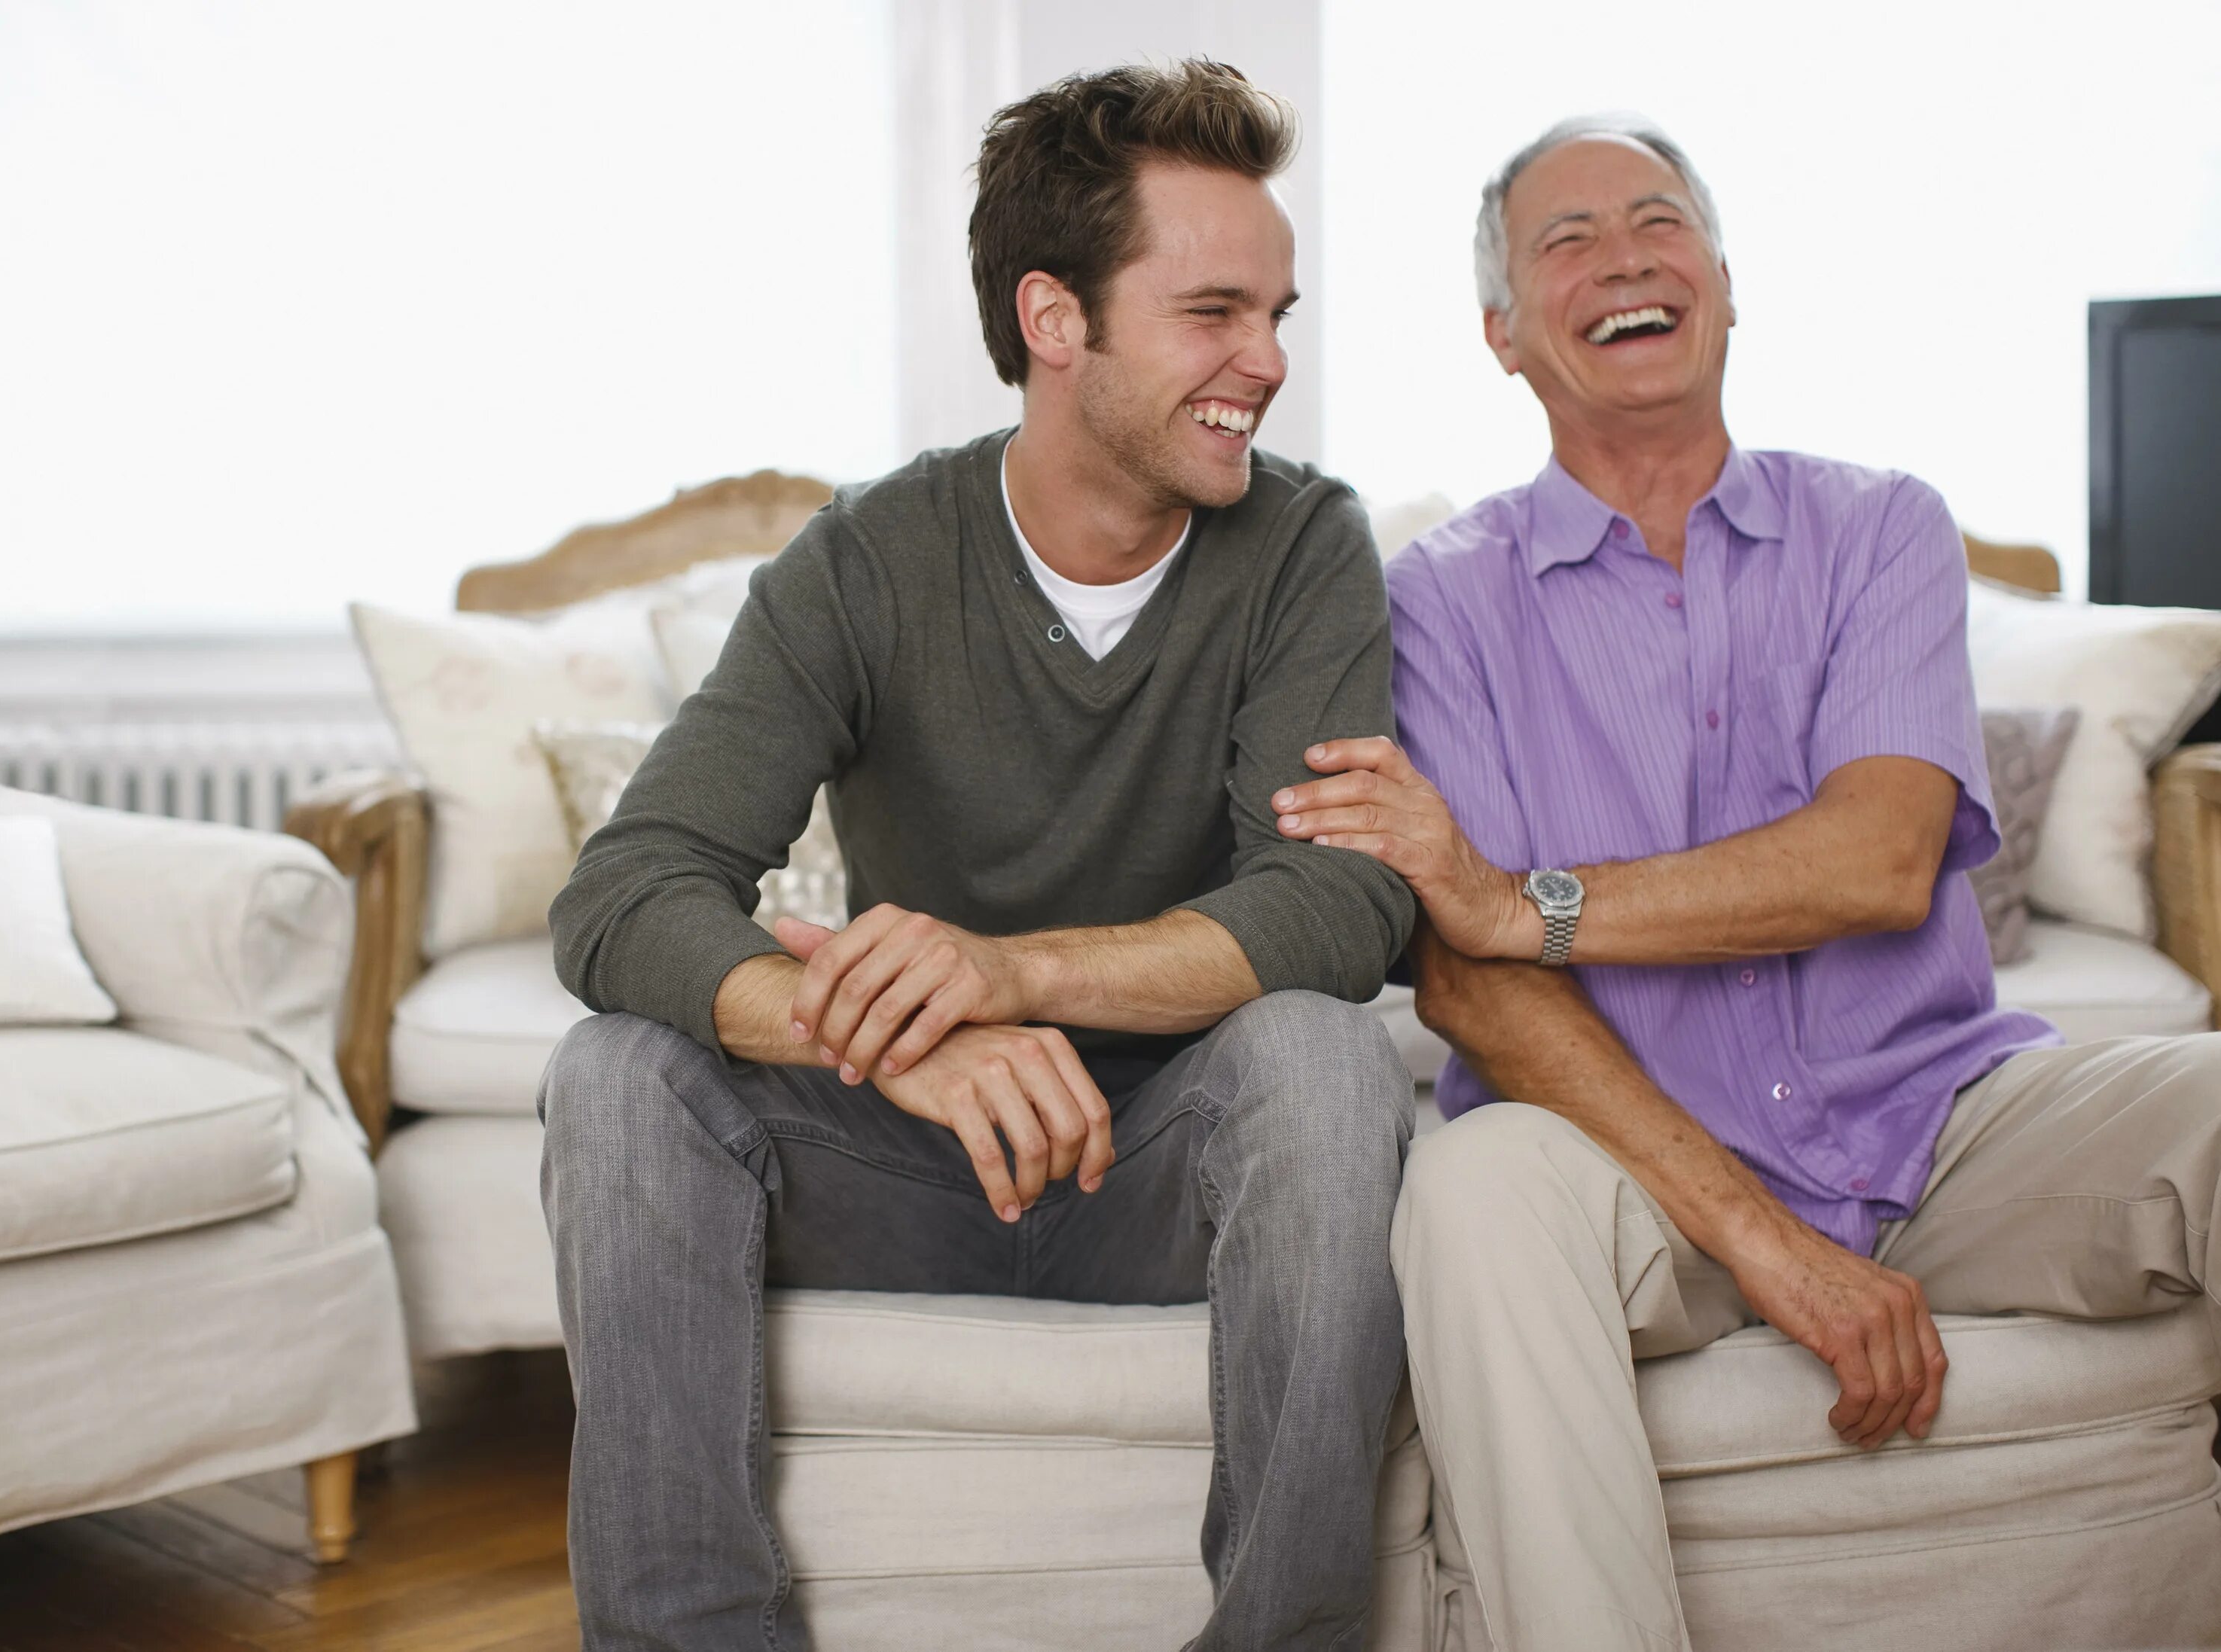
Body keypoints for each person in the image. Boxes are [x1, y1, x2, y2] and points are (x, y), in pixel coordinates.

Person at [1270, 114, 2221, 1651]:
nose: (1627, 254)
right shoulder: (1435, 604)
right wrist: (1771, 1245)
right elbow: (1469, 974)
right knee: (1474, 1187)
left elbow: (1880, 857)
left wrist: (1538, 899)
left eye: (1661, 220)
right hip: (1638, 1169)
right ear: (1504, 333)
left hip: (1940, 1121)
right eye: (1566, 240)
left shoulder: (1879, 528)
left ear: (1723, 280)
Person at [538, 59, 1417, 1651]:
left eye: (1280, 314)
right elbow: (626, 890)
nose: (1267, 363)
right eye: (1216, 312)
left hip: (1164, 1165)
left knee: (1329, 1059)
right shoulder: (868, 558)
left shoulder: (1305, 545)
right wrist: (900, 1036)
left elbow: (1336, 903)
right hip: (906, 1163)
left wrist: (1007, 970)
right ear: (1053, 318)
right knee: (615, 1073)